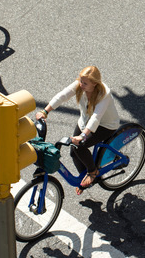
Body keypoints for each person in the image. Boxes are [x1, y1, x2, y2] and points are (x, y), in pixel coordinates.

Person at [36, 66, 119, 195]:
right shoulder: (80, 85)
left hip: (105, 125)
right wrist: (45, 111)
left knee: (79, 147)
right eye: (80, 80)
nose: (81, 84)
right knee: (74, 153)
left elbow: (96, 118)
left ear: (95, 84)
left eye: (85, 83)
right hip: (84, 122)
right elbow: (63, 95)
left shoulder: (104, 94)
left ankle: (92, 172)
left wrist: (83, 137)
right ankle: (84, 177)